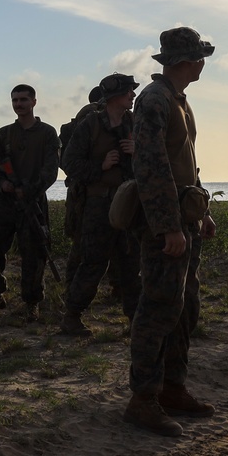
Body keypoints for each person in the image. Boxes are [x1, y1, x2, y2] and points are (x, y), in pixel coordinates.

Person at [123, 26, 217, 437]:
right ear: (186, 61)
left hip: (185, 220)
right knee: (159, 307)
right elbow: (151, 167)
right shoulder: (154, 101)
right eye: (199, 57)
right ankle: (143, 398)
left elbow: (185, 165)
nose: (202, 64)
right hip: (167, 226)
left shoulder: (178, 100)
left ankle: (172, 388)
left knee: (184, 308)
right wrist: (167, 227)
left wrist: (201, 214)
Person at [59, 74, 143, 337]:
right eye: (129, 91)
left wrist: (137, 151)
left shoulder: (135, 124)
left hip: (128, 203)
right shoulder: (90, 125)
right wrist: (101, 167)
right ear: (114, 96)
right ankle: (72, 316)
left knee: (132, 264)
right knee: (93, 262)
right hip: (98, 204)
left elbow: (154, 161)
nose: (132, 95)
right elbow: (69, 163)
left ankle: (135, 321)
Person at [0, 84, 60, 322]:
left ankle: (32, 302)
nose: (19, 104)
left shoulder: (47, 133)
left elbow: (51, 170)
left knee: (34, 254)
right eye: (15, 100)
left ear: (34, 102)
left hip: (33, 202)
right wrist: (3, 185)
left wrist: (29, 190)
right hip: (5, 202)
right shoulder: (3, 134)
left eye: (23, 99)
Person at [61, 84, 103, 286]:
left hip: (80, 191)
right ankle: (72, 288)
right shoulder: (93, 120)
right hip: (86, 193)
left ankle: (72, 287)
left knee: (80, 244)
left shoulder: (81, 122)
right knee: (81, 245)